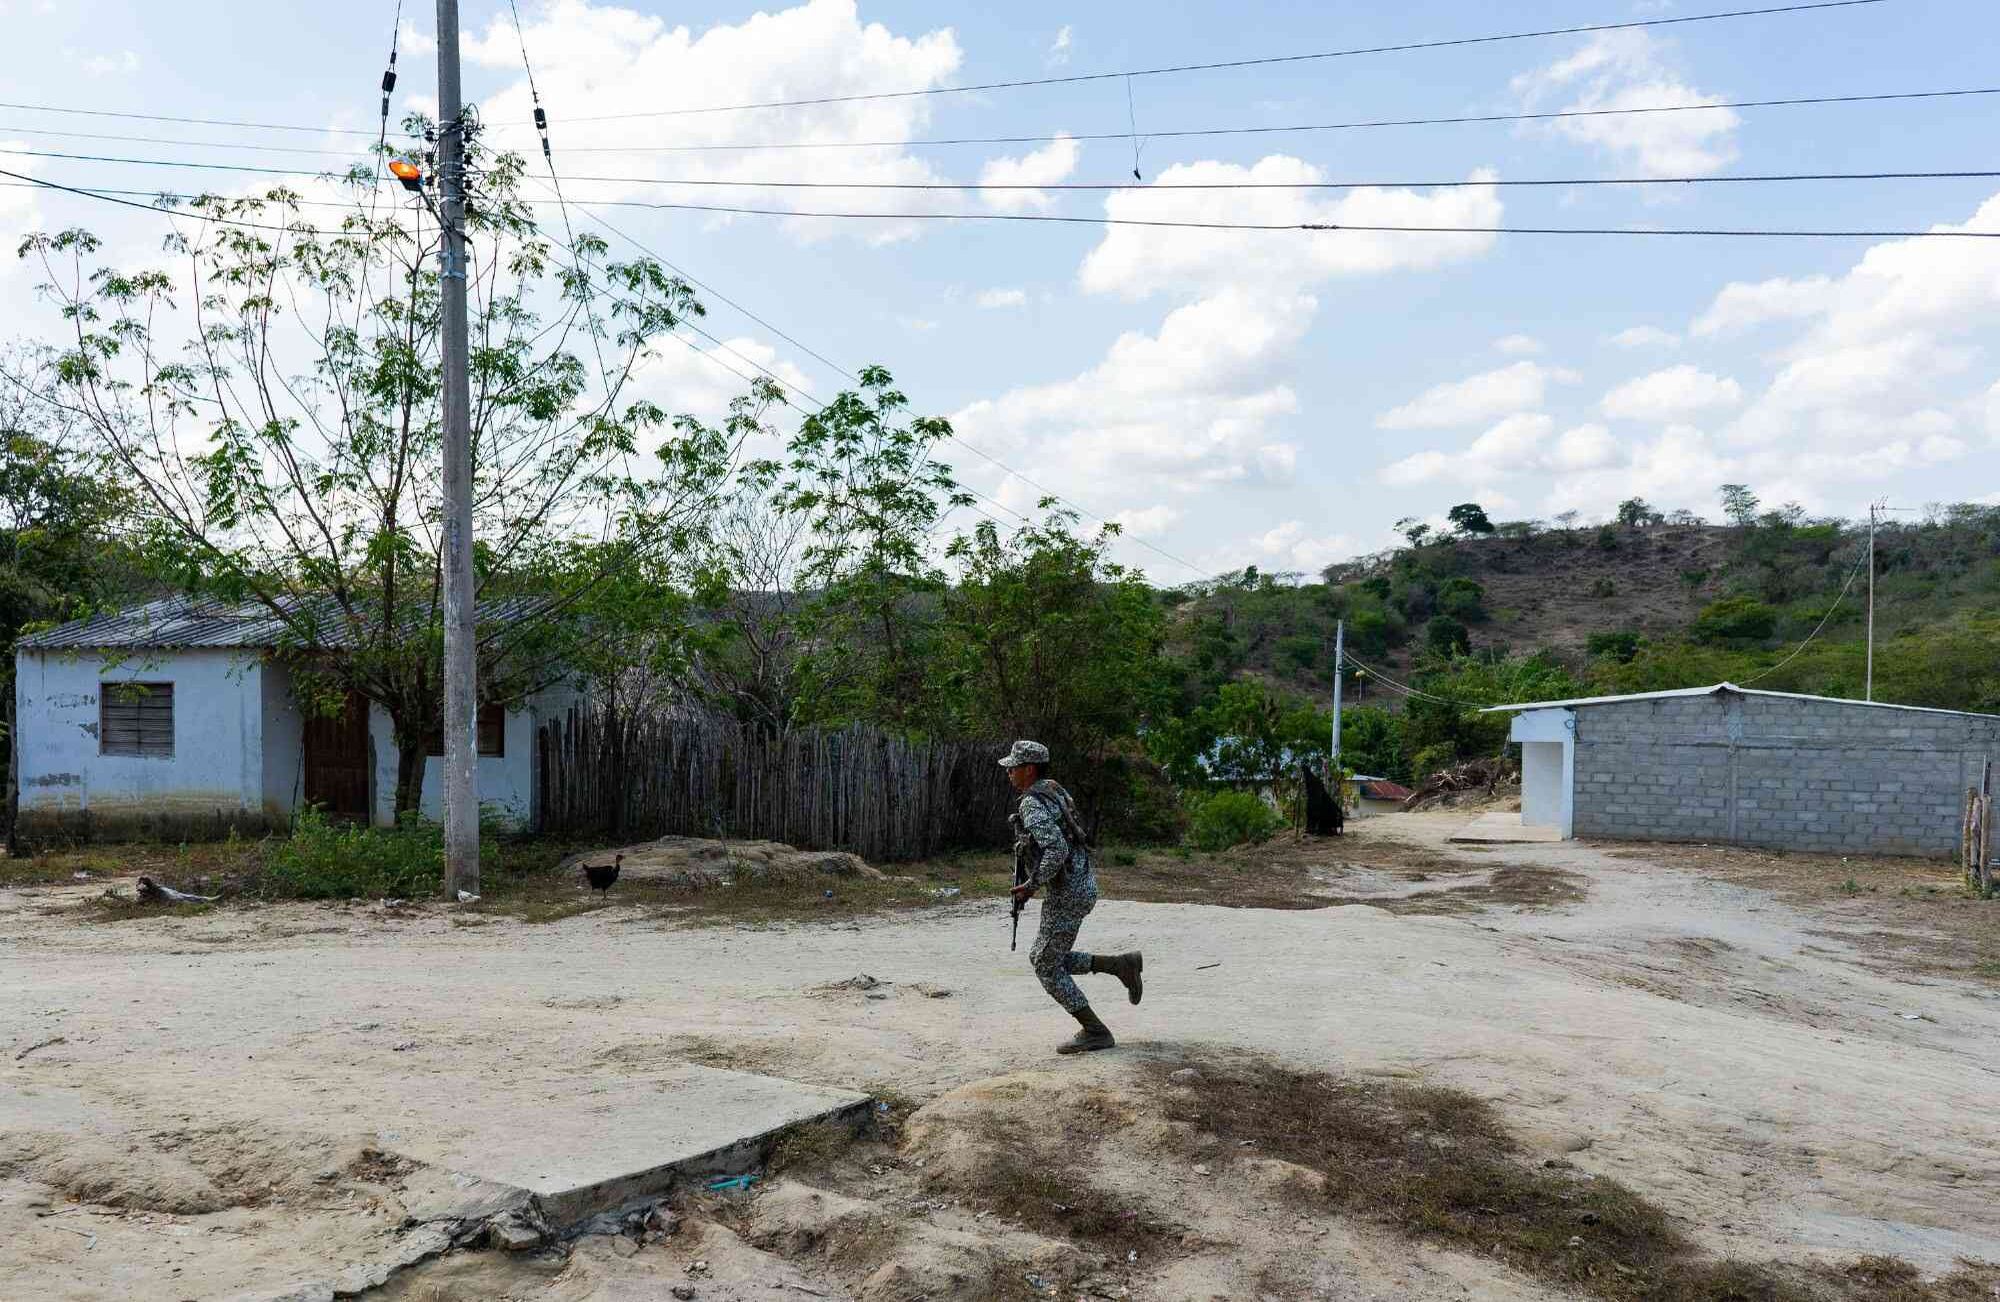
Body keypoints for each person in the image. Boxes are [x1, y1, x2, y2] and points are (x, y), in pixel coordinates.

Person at [1001, 740, 1143, 1054]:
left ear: (1029, 769)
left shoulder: (1032, 802)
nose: (1009, 771)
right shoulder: (1054, 789)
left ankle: (1095, 1031)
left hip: (1068, 892)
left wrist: (1031, 884)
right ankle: (1120, 965)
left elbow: (1056, 848)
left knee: (1045, 965)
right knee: (1049, 957)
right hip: (1080, 885)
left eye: (1014, 766)